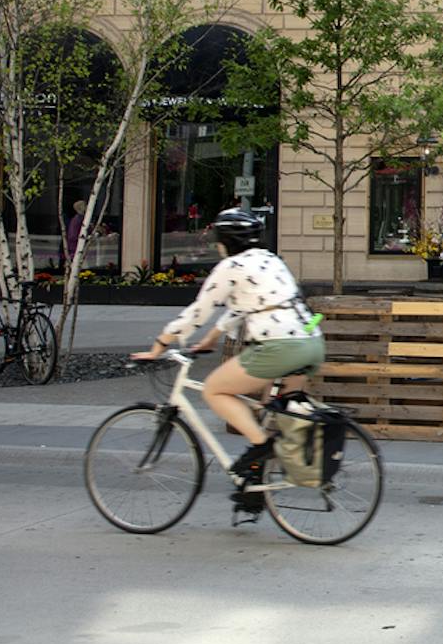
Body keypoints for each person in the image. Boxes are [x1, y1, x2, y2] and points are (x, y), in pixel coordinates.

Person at [130, 208, 324, 508]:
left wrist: (159, 345)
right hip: (310, 343)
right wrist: (212, 337)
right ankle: (256, 486)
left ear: (225, 242)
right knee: (276, 409)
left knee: (214, 390)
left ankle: (261, 447)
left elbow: (197, 313)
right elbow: (248, 305)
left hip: (279, 347)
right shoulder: (271, 259)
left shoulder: (230, 266)